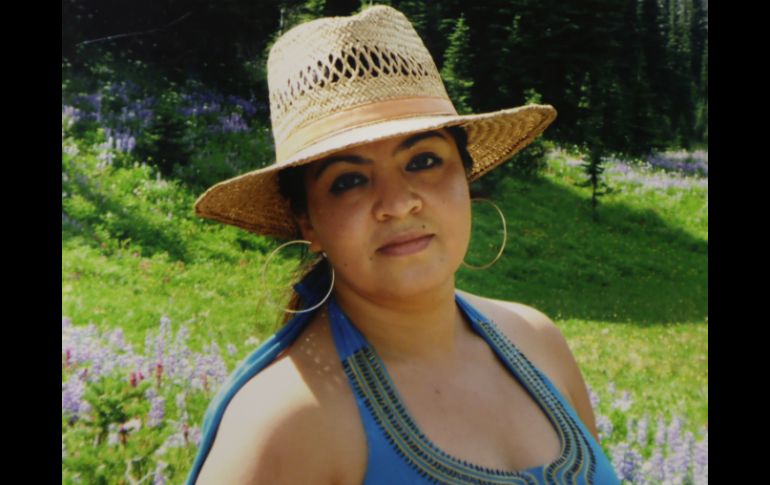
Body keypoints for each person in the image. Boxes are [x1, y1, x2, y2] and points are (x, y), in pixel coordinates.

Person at [186, 5, 620, 485]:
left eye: (423, 161)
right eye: (348, 180)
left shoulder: (536, 339)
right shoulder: (284, 421)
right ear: (307, 220)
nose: (397, 204)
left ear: (466, 176)